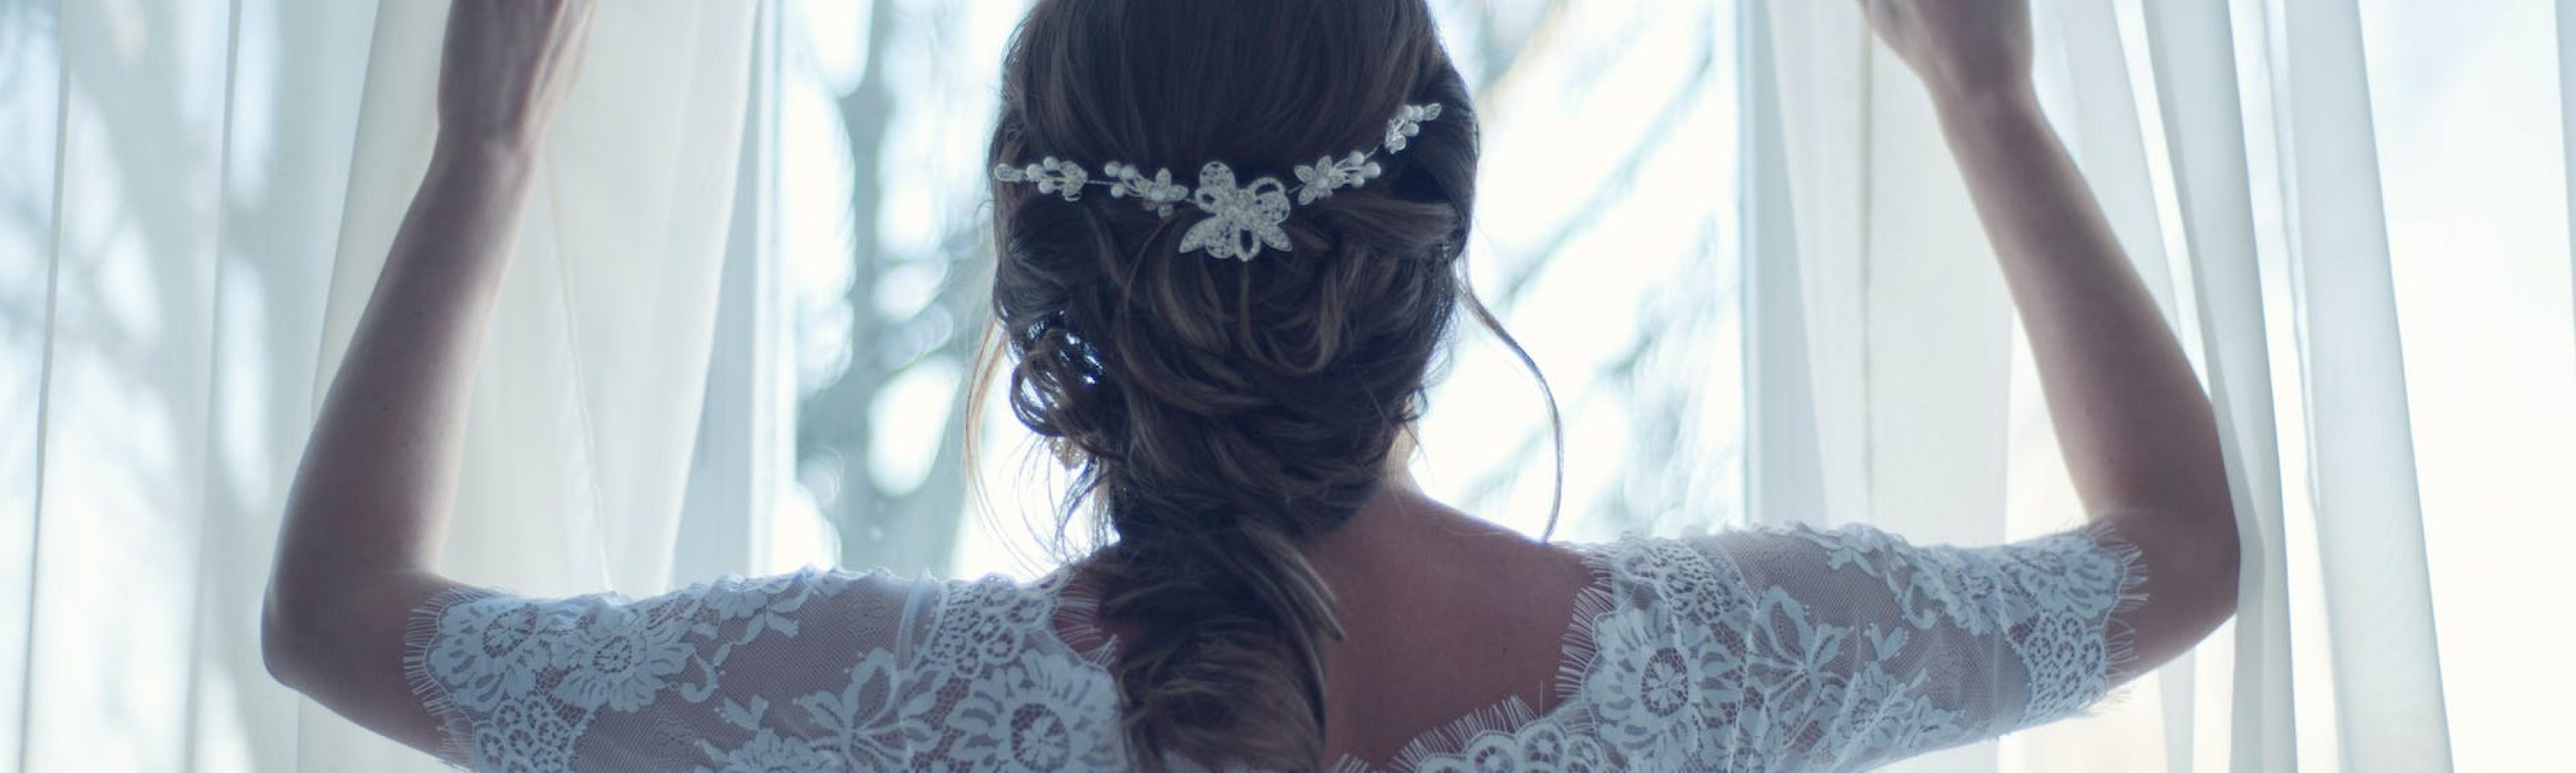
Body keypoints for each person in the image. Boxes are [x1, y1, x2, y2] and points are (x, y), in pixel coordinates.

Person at [261, 0, 2241, 770]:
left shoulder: (876, 703)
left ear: (1047, 316)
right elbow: (2175, 554)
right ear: (1428, 260)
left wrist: (484, 157)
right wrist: (1990, 104)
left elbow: (340, 623)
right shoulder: (1723, 666)